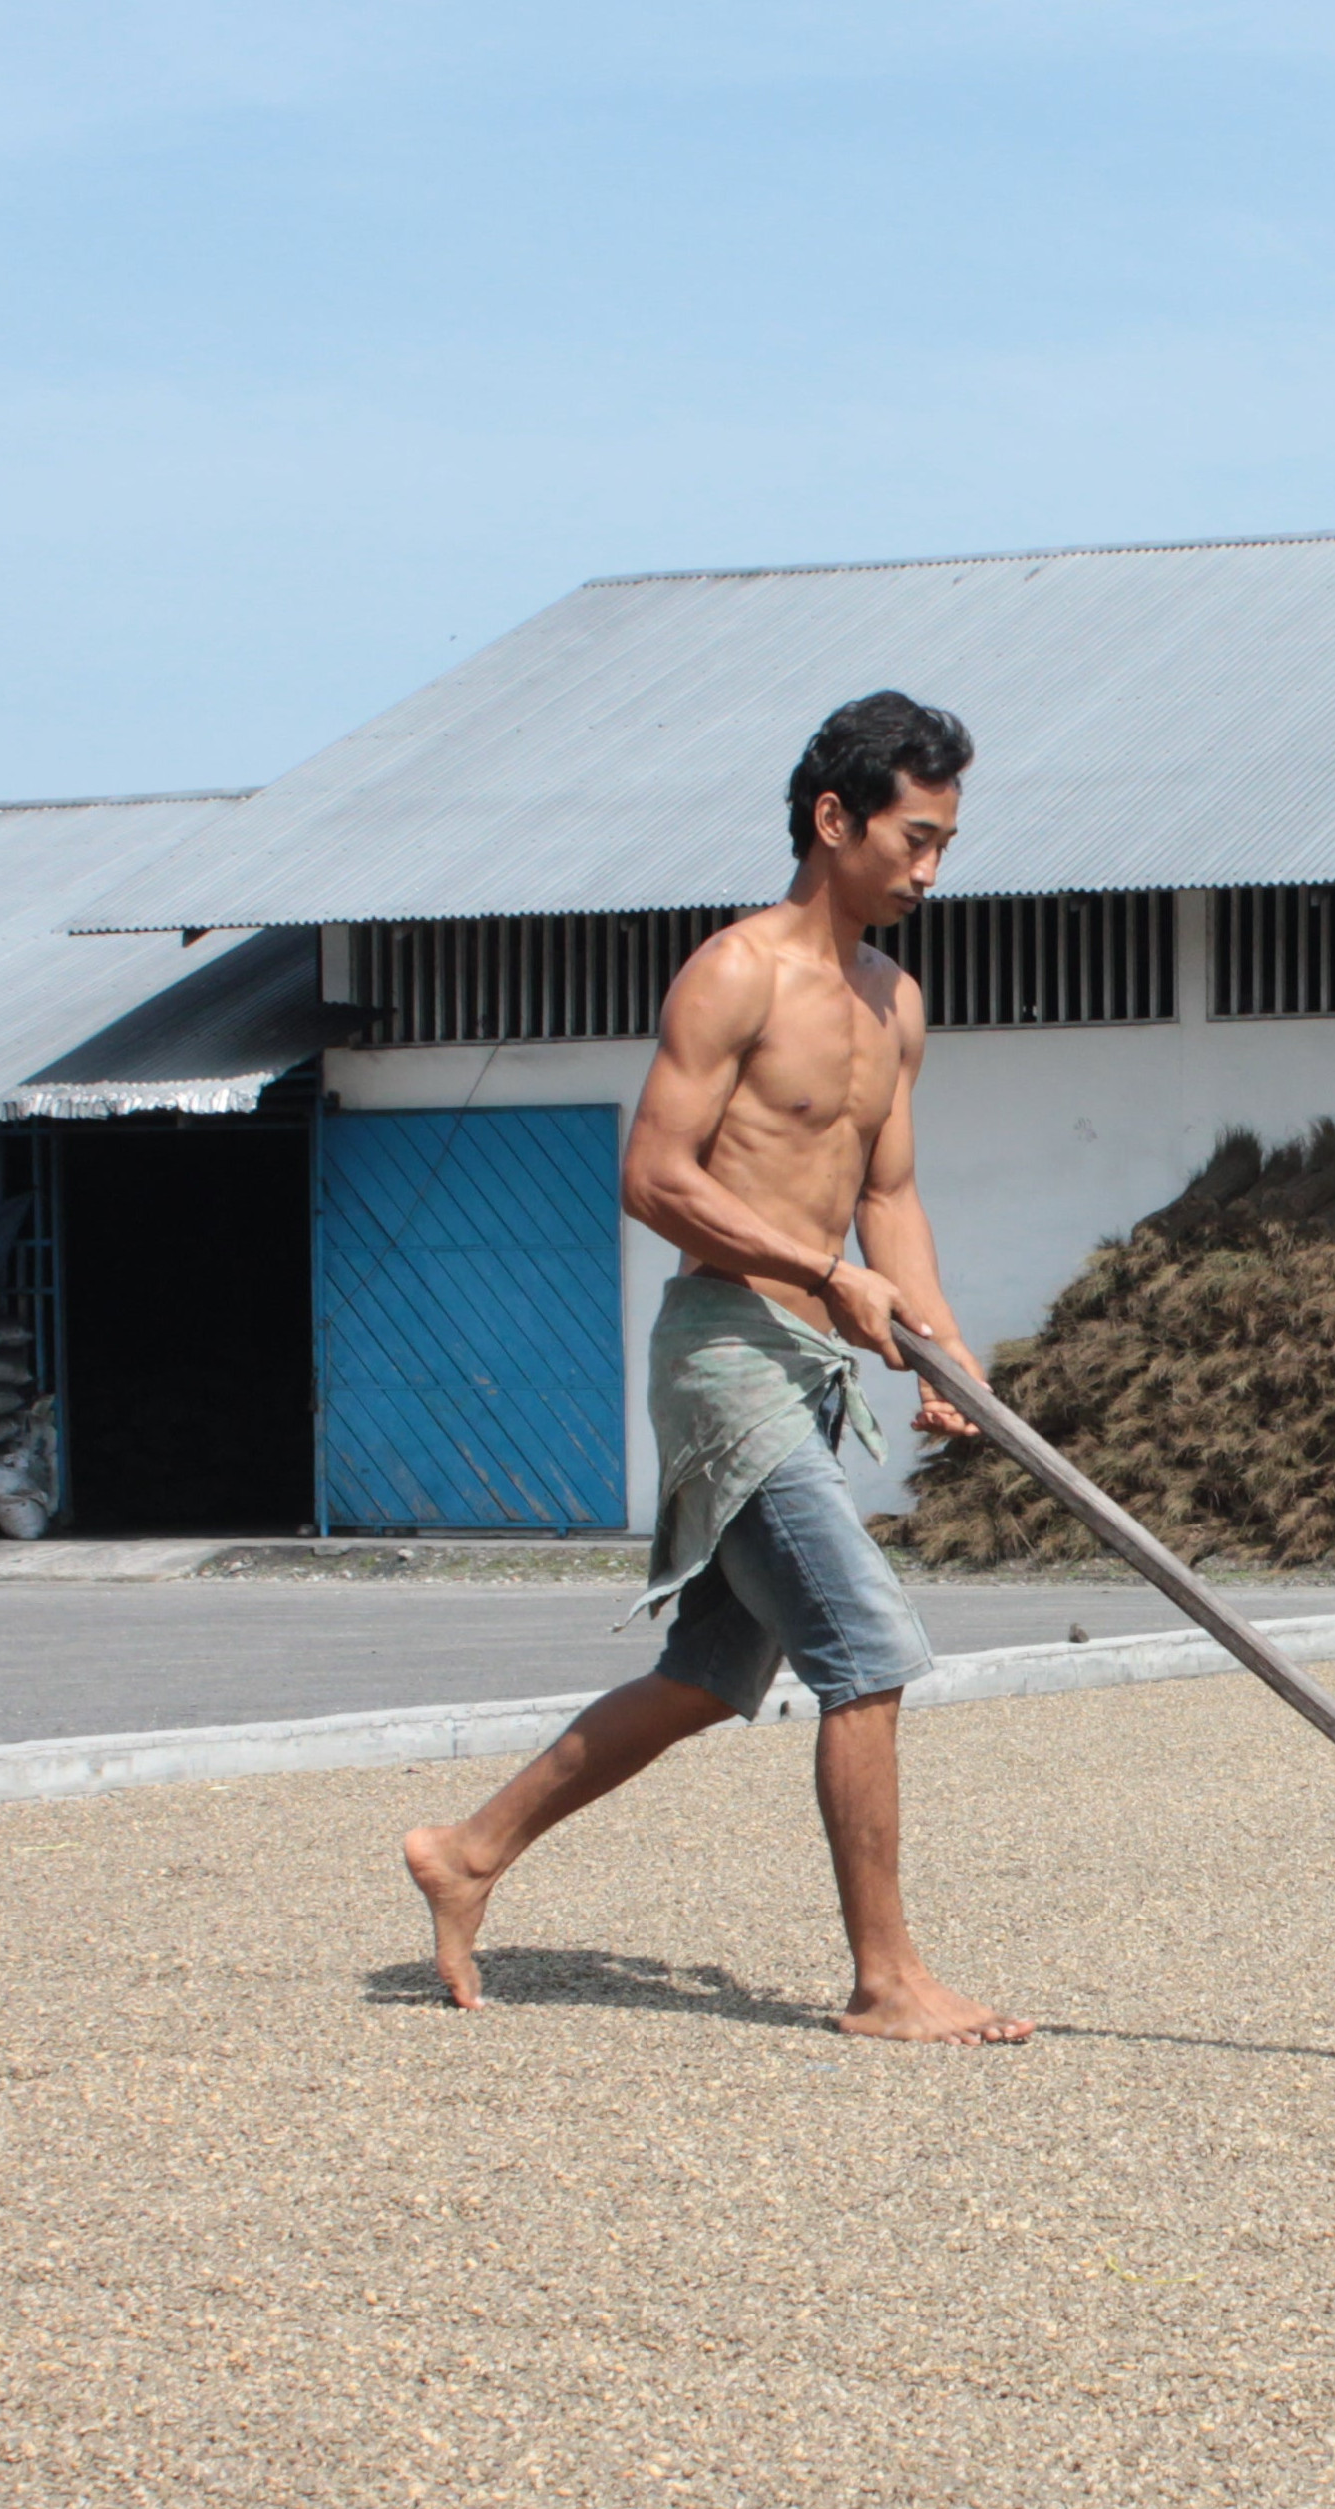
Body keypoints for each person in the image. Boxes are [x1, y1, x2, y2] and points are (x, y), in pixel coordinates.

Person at [402, 691, 1031, 2043]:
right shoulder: (737, 972)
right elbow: (654, 1177)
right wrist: (824, 1274)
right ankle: (888, 1983)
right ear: (834, 819)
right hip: (725, 1350)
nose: (930, 871)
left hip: (808, 1363)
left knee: (710, 1674)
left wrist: (939, 1344)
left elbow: (889, 1195)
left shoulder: (894, 1001)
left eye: (945, 845)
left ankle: (467, 1851)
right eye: (915, 839)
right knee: (866, 1646)